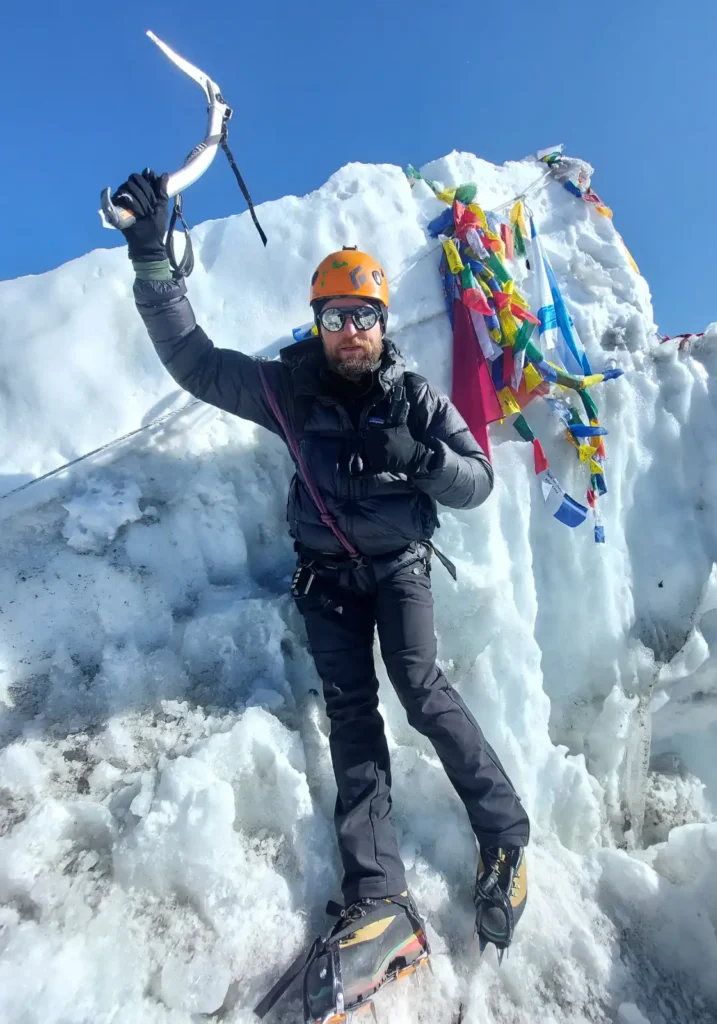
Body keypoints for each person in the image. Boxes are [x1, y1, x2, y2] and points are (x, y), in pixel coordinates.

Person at [115, 170, 530, 1006]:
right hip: (328, 580)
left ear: (382, 324)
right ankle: (380, 896)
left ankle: (506, 836)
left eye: (364, 317)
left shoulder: (415, 397)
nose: (351, 332)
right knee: (352, 715)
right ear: (319, 323)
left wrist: (427, 460)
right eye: (337, 317)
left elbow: (479, 481)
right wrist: (156, 266)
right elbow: (195, 363)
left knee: (419, 686)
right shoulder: (287, 391)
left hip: (401, 570)